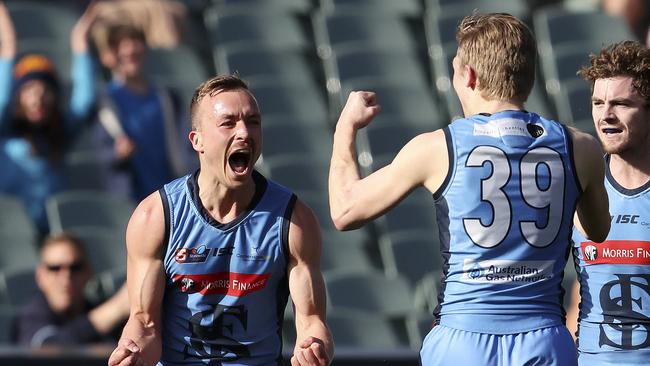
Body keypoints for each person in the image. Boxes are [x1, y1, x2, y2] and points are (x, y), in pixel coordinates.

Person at [328, 12, 610, 366]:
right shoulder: (580, 147)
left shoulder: (438, 148)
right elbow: (598, 231)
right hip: (544, 339)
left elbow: (344, 211)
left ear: (470, 76)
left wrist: (345, 130)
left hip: (463, 343)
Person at [107, 75, 333, 366]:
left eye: (253, 122)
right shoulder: (156, 216)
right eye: (229, 123)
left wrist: (314, 348)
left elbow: (313, 320)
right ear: (196, 140)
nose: (244, 133)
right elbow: (145, 323)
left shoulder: (293, 219)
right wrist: (133, 351)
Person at [567, 40, 650, 365]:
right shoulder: (578, 187)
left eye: (620, 104)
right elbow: (578, 293)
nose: (606, 115)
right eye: (597, 103)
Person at [0, 1, 97, 234]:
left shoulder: (60, 133)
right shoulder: (5, 129)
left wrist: (80, 43)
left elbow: (85, 101)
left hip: (51, 232)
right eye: (29, 90)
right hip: (10, 233)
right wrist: (9, 43)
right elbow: (2, 97)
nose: (38, 98)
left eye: (45, 91)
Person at [93, 22, 192, 203]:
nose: (129, 50)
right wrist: (117, 153)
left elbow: (185, 148)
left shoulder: (168, 97)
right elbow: (98, 155)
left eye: (135, 42)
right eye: (120, 45)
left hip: (171, 196)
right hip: (130, 201)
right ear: (109, 55)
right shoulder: (104, 101)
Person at [11, 232, 129, 347]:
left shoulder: (93, 307)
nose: (66, 276)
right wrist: (117, 307)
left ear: (89, 272)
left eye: (75, 268)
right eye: (55, 268)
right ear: (40, 276)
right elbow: (48, 348)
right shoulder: (31, 314)